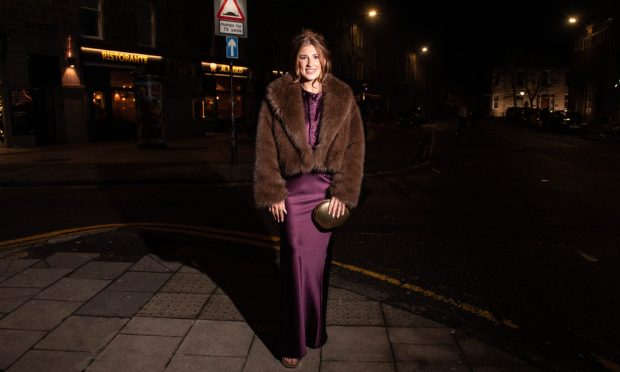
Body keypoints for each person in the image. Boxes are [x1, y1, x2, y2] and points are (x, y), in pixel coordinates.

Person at [253, 29, 365, 368]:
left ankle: (315, 332)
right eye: (303, 57)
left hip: (328, 193)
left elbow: (354, 149)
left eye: (315, 56)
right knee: (294, 263)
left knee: (318, 268)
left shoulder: (344, 97)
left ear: (325, 60)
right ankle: (293, 341)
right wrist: (272, 190)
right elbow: (265, 147)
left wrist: (344, 194)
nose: (309, 62)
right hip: (294, 193)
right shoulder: (276, 96)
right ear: (295, 62)